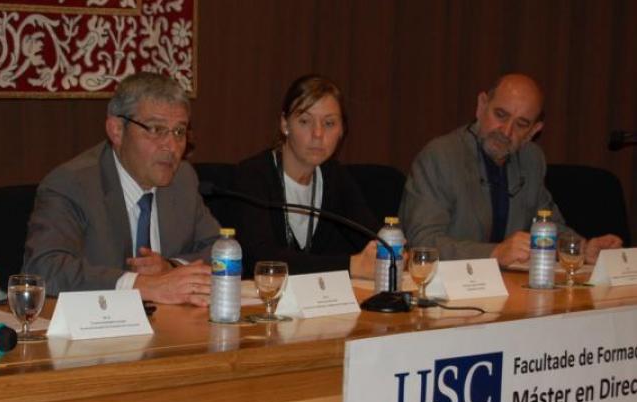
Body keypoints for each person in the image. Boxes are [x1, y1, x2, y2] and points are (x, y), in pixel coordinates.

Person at [23, 72, 220, 306]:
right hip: (97, 332)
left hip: (171, 327)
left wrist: (170, 267)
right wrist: (143, 286)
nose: (171, 146)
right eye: (156, 129)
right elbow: (44, 268)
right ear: (117, 130)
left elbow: (220, 250)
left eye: (179, 131)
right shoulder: (72, 183)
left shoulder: (182, 179)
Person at [399, 73, 621, 266]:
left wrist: (581, 248)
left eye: (521, 124)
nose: (506, 131)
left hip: (510, 288)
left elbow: (548, 226)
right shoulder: (441, 156)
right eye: (501, 115)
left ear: (534, 131)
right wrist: (494, 253)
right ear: (481, 105)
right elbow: (422, 242)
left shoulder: (531, 159)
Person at [231, 74, 379, 278]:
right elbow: (261, 259)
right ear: (285, 125)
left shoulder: (335, 177)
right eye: (305, 121)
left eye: (329, 123)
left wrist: (391, 249)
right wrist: (350, 265)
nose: (318, 134)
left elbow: (372, 238)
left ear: (342, 130)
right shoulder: (253, 175)